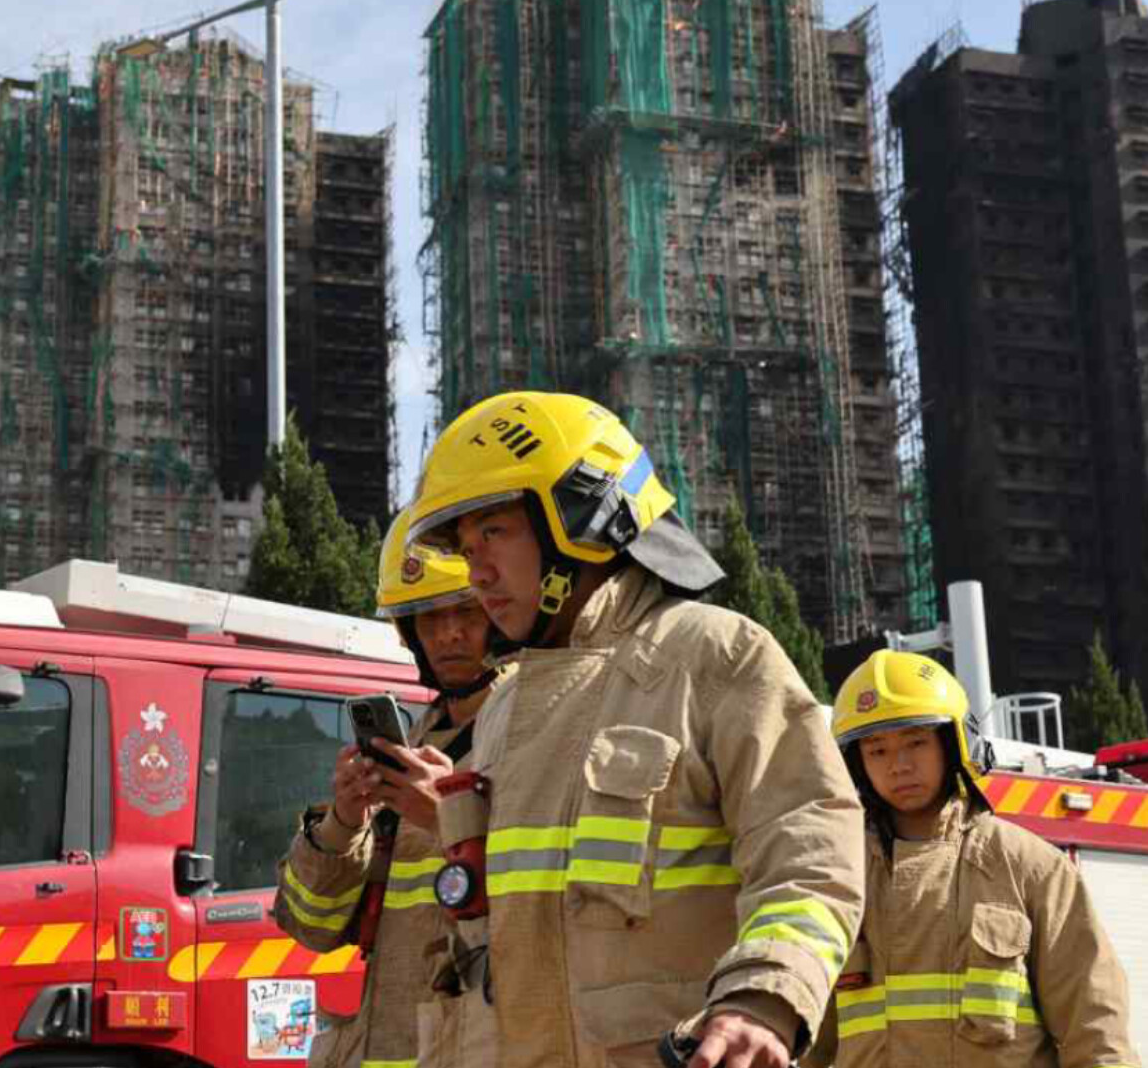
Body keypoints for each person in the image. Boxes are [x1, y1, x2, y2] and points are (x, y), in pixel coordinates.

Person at [402, 390, 865, 1068]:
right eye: (467, 548)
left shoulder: (715, 656)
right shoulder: (503, 710)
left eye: (494, 533)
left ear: (584, 516)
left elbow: (810, 851)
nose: (477, 573)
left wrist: (763, 996)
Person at [821, 650, 1139, 1068]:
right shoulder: (839, 879)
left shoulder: (1029, 868)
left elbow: (1096, 1031)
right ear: (854, 764)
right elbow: (803, 1042)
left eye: (916, 742)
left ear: (955, 743)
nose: (898, 765)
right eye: (877, 750)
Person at [272, 508, 505, 1068]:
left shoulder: (534, 731)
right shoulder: (415, 743)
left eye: (465, 611)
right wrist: (343, 823)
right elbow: (312, 927)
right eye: (428, 618)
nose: (448, 633)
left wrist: (446, 818)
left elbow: (556, 909)